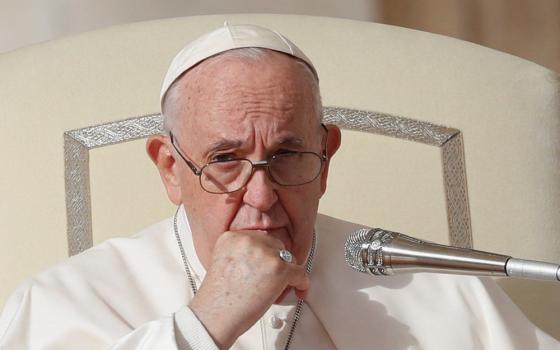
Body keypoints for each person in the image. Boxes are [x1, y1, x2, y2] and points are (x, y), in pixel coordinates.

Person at [0, 23, 558, 350]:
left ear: (327, 155)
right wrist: (204, 323)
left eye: (288, 155)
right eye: (225, 159)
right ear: (170, 168)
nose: (261, 197)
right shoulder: (65, 302)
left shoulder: (431, 287)